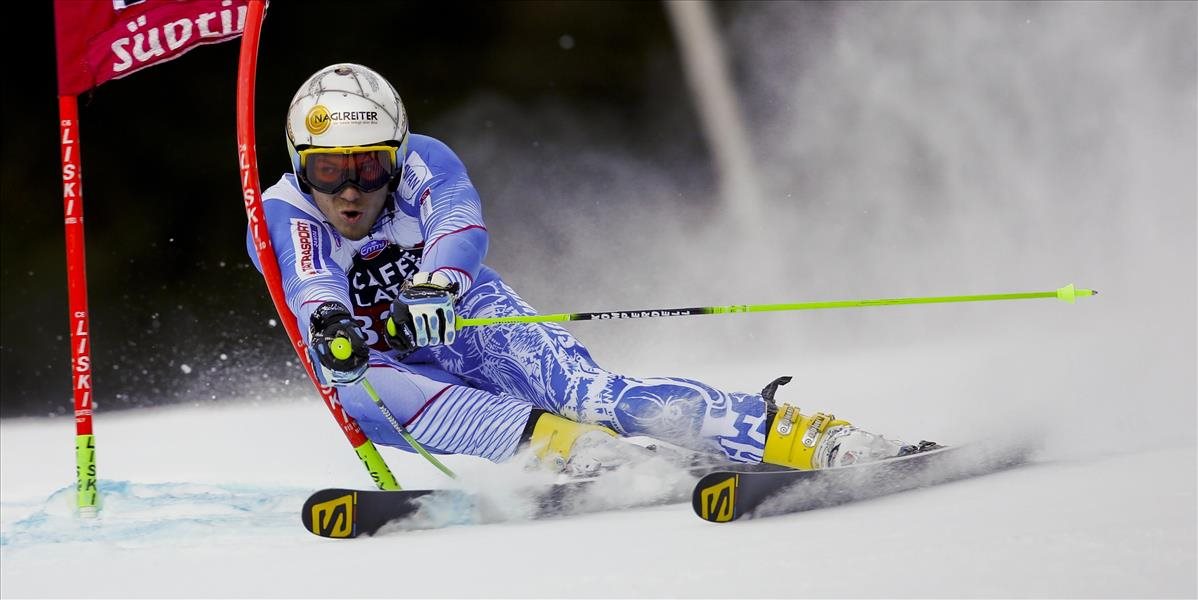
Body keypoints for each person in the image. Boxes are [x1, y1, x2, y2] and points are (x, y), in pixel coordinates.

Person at [248, 63, 933, 477]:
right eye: (327, 169)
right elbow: (312, 285)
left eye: (368, 167)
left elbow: (460, 224)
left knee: (597, 393)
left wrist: (436, 284)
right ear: (298, 162)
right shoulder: (278, 212)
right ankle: (577, 452)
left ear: (395, 155)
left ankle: (814, 439)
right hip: (385, 363)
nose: (349, 190)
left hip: (465, 318)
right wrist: (332, 326)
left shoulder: (425, 159)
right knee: (360, 385)